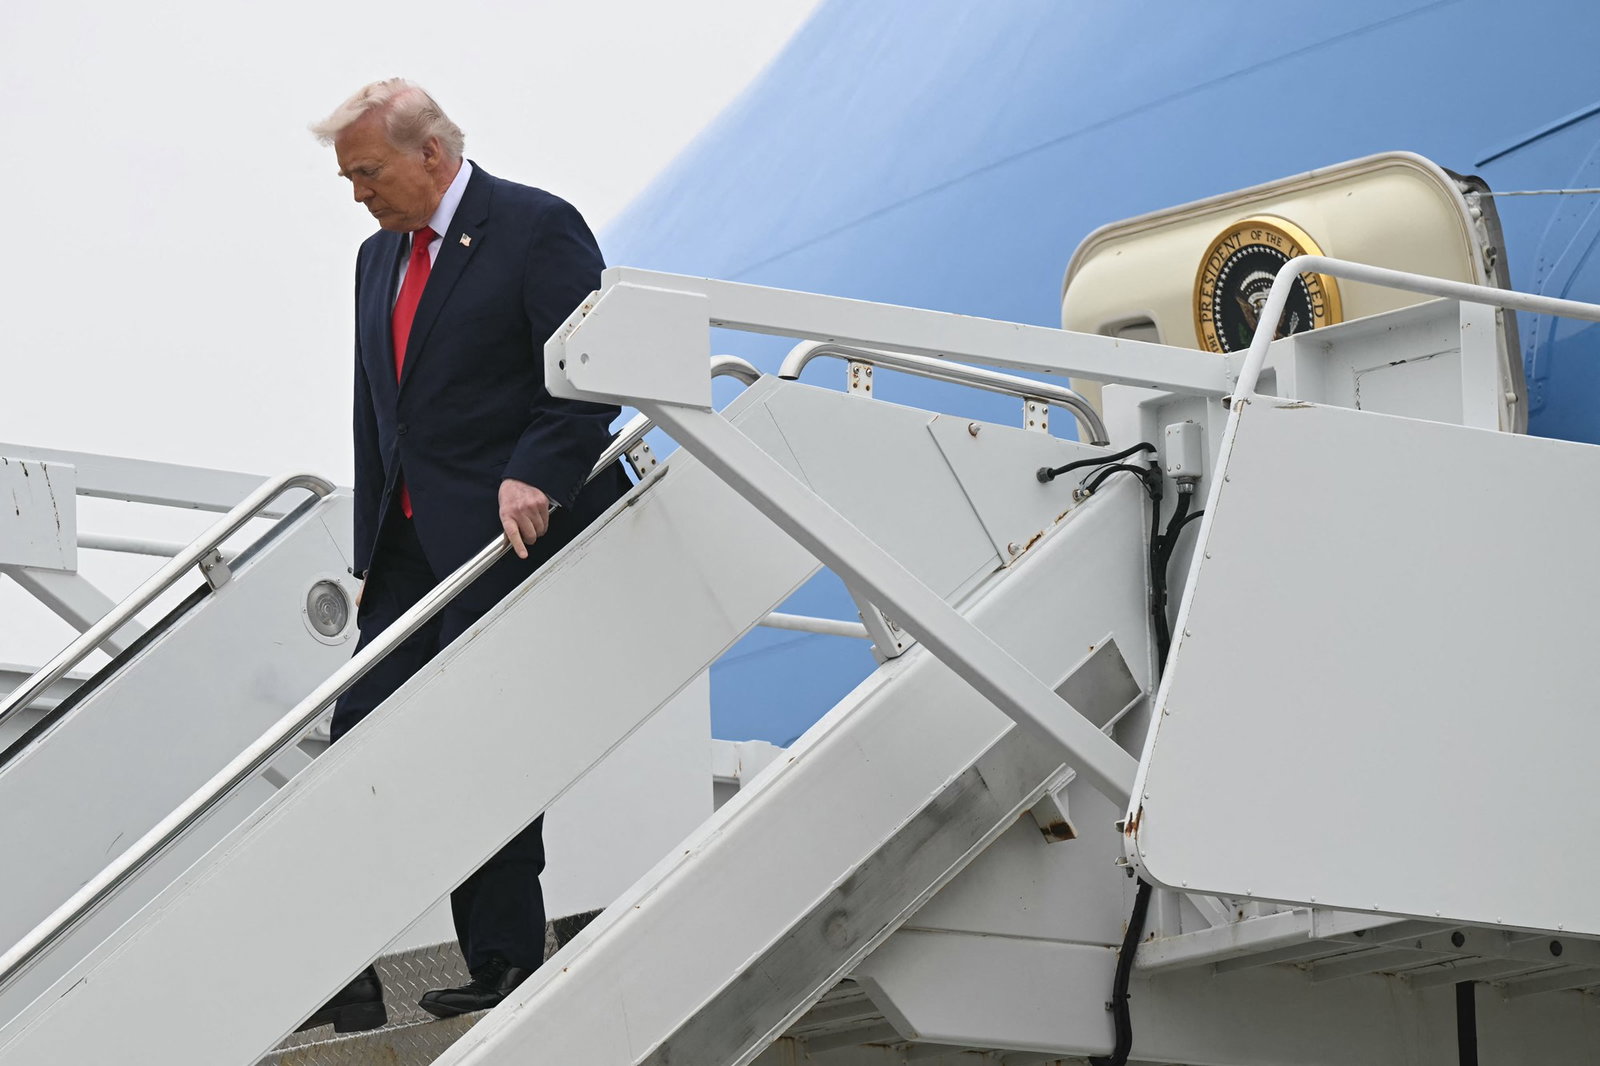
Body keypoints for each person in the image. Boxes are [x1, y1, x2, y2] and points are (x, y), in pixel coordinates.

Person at [298, 78, 629, 1032]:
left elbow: (589, 372)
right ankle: (341, 969)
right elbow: (379, 409)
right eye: (349, 177)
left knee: (483, 744)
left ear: (432, 154)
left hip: (506, 535)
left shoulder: (535, 226)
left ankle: (503, 960)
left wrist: (537, 474)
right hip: (406, 544)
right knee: (360, 737)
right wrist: (370, 540)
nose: (358, 192)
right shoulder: (376, 258)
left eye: (368, 172)